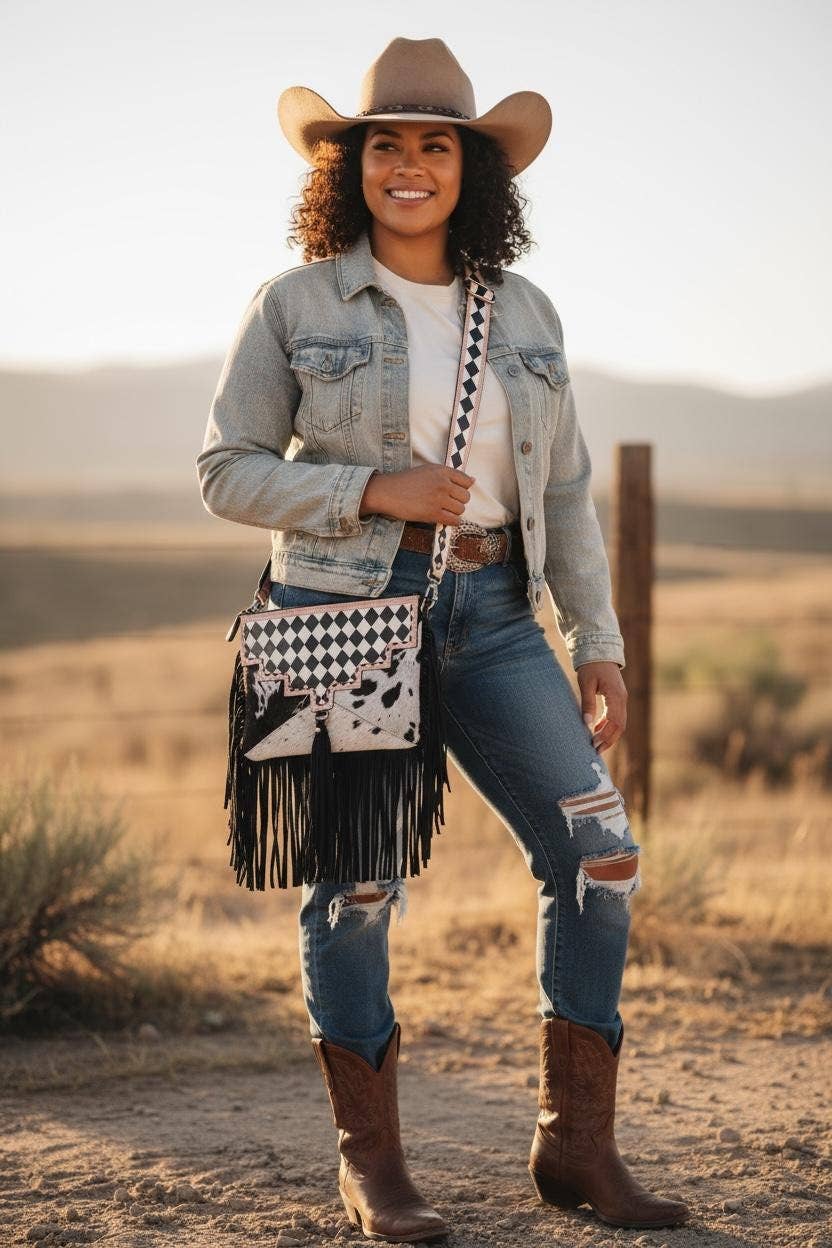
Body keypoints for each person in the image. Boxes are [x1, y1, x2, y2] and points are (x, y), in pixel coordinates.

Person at [197, 35, 690, 1244]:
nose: (408, 165)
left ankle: (575, 1148)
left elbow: (563, 491)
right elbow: (226, 473)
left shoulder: (523, 312)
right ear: (350, 164)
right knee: (358, 886)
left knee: (600, 855)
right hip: (346, 615)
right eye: (385, 144)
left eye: (435, 145)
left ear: (473, 170)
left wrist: (599, 641)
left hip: (496, 616)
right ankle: (373, 1167)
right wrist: (369, 492)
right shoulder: (295, 303)